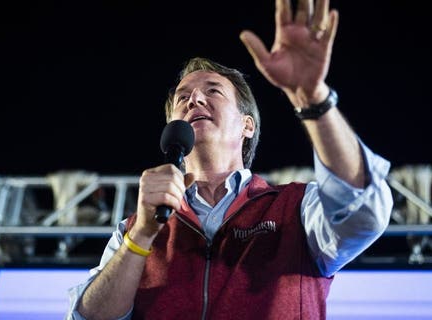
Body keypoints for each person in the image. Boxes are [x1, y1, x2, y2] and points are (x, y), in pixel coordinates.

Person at [66, 0, 393, 319]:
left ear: (247, 125)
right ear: (171, 128)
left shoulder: (296, 209)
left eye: (213, 91)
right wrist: (140, 239)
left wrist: (313, 98)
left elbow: (362, 212)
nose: (194, 98)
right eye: (183, 98)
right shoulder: (135, 228)